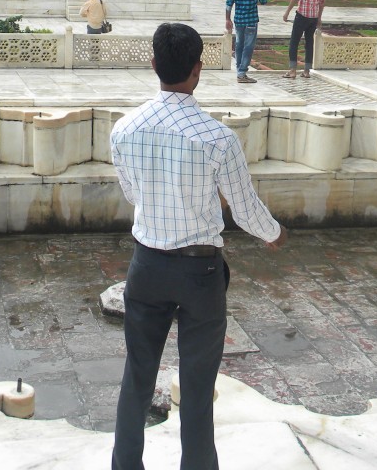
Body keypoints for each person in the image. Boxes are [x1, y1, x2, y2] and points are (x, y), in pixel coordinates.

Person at [109, 23, 286, 470]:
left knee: (137, 376)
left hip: (146, 266)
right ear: (198, 70)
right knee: (197, 384)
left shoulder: (124, 129)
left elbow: (133, 195)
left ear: (154, 65)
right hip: (199, 273)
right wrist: (274, 233)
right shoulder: (217, 138)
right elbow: (244, 209)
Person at [282, 0, 326, 79]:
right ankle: (306, 71)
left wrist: (287, 12)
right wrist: (319, 18)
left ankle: (292, 70)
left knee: (294, 42)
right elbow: (322, 2)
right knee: (309, 43)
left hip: (302, 14)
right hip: (313, 16)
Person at [225, 0, 267, 83]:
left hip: (238, 19)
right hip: (251, 20)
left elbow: (229, 3)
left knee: (239, 44)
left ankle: (239, 70)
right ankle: (242, 73)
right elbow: (264, 0)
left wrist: (227, 19)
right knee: (248, 46)